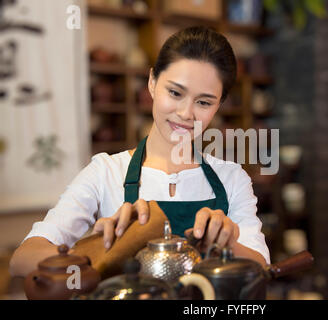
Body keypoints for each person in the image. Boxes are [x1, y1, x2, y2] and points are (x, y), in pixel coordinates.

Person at [9, 26, 270, 277]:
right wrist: (103, 250)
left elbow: (262, 268)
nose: (186, 113)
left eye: (203, 102)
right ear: (152, 82)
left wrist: (227, 243)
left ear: (219, 105)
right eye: (175, 92)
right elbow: (23, 258)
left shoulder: (232, 178)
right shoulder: (106, 172)